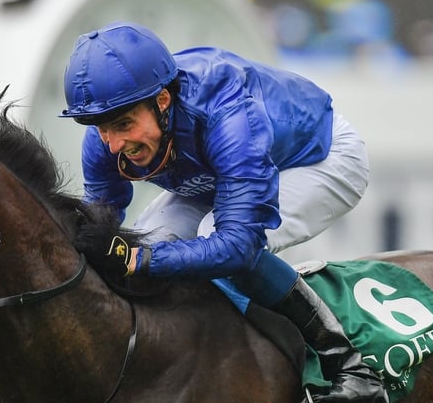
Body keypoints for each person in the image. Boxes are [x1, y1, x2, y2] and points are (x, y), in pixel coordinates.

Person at [59, 21, 386, 403]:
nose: (114, 145)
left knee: (207, 239)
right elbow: (100, 226)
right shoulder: (106, 132)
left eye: (124, 126)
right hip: (217, 173)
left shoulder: (226, 113)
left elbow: (237, 246)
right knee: (152, 240)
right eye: (101, 129)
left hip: (320, 157)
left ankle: (349, 365)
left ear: (162, 101)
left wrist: (138, 258)